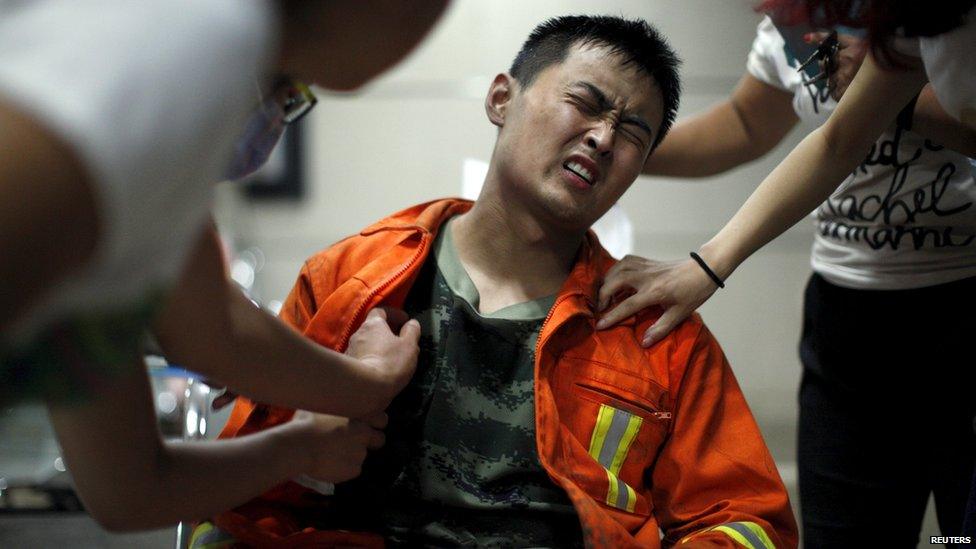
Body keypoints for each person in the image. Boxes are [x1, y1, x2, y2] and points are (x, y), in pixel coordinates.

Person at [195, 15, 799, 548]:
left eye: (633, 132)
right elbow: (240, 503)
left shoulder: (655, 332)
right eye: (585, 102)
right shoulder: (352, 282)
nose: (603, 136)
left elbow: (749, 522)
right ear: (501, 99)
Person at [0, 0, 448, 530]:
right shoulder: (195, 29)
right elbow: (217, 335)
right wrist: (368, 383)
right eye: (287, 89)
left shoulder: (142, 207)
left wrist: (300, 445)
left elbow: (131, 491)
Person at [596, 1, 976, 546]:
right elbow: (760, 125)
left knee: (959, 535)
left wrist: (891, 90)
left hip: (960, 301)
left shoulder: (919, 23)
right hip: (848, 311)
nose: (768, 12)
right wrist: (619, 143)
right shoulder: (788, 29)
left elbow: (859, 134)